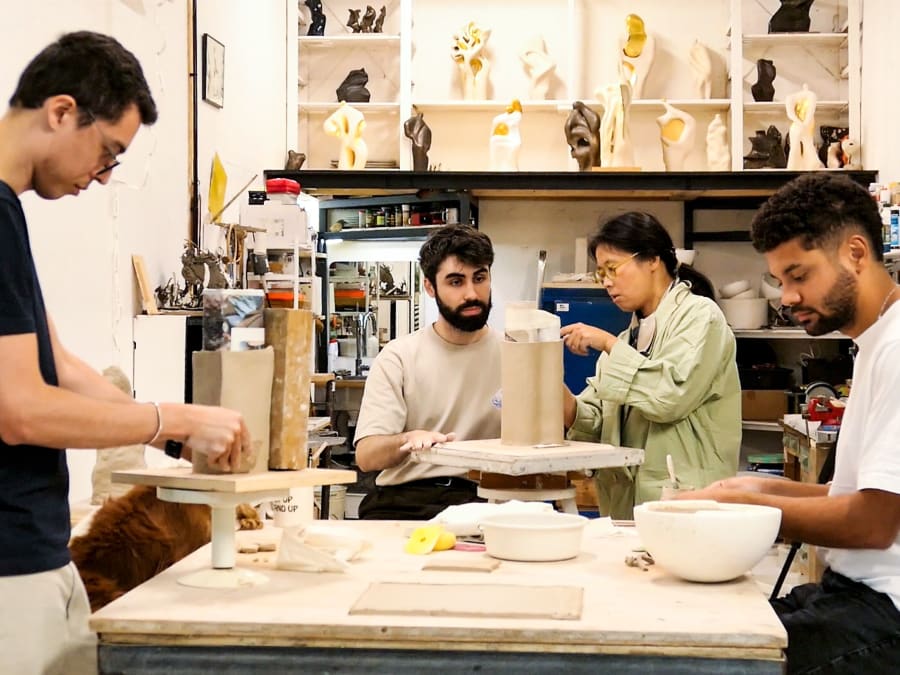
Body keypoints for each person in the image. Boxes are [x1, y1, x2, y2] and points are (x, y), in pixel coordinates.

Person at [0, 32, 253, 675]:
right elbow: (22, 410)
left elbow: (56, 363)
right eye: (107, 152)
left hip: (36, 553)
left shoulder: (7, 214)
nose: (105, 175)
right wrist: (173, 420)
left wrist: (175, 441)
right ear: (61, 112)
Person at [681, 173, 900, 673]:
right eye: (781, 281)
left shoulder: (897, 348)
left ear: (856, 253)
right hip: (852, 593)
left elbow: (872, 523)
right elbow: (860, 495)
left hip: (887, 611)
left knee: (705, 662)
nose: (788, 297)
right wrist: (757, 488)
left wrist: (742, 510)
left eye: (799, 275)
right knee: (699, 630)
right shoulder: (874, 343)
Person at [562, 211, 740, 519]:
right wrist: (550, 388)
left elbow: (669, 397)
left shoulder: (700, 317)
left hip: (687, 504)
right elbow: (596, 422)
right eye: (600, 273)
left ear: (653, 260)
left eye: (613, 268)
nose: (606, 282)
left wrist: (607, 344)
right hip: (626, 509)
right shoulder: (627, 339)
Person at [354, 225, 501, 519]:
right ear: (430, 287)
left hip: (486, 501)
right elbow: (367, 456)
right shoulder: (399, 357)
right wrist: (407, 440)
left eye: (480, 278)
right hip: (406, 500)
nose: (472, 293)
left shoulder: (517, 354)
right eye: (456, 282)